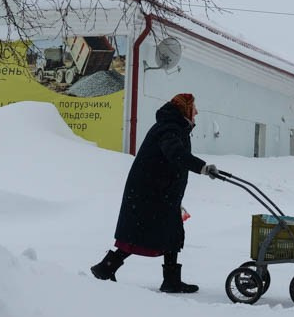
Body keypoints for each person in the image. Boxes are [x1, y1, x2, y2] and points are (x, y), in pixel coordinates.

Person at [90, 93, 219, 293]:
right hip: (151, 193)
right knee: (143, 234)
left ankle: (112, 269)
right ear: (185, 110)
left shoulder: (174, 126)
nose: (197, 113)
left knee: (165, 233)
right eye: (194, 109)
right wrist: (202, 167)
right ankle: (107, 269)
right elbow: (175, 153)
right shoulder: (169, 128)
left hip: (159, 191)